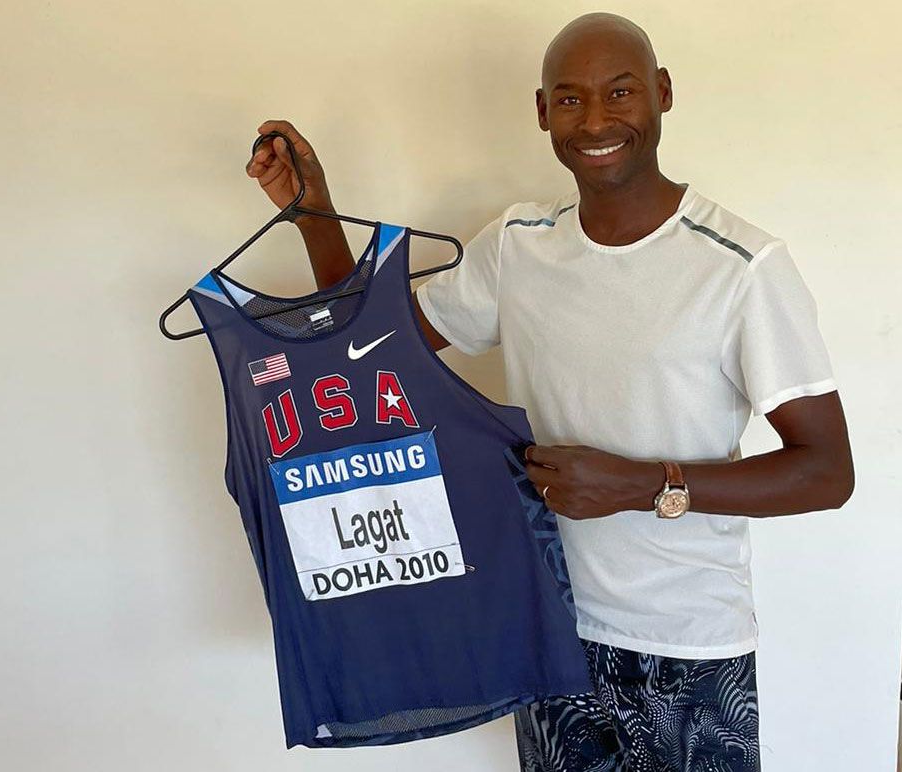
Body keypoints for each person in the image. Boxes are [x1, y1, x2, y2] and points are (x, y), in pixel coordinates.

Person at [244, 12, 854, 771]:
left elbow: (826, 472)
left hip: (686, 647)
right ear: (541, 113)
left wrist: (641, 485)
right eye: (569, 99)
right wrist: (314, 216)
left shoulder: (742, 266)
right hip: (549, 631)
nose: (595, 120)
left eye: (620, 92)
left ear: (661, 95)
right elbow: (369, 350)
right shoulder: (518, 244)